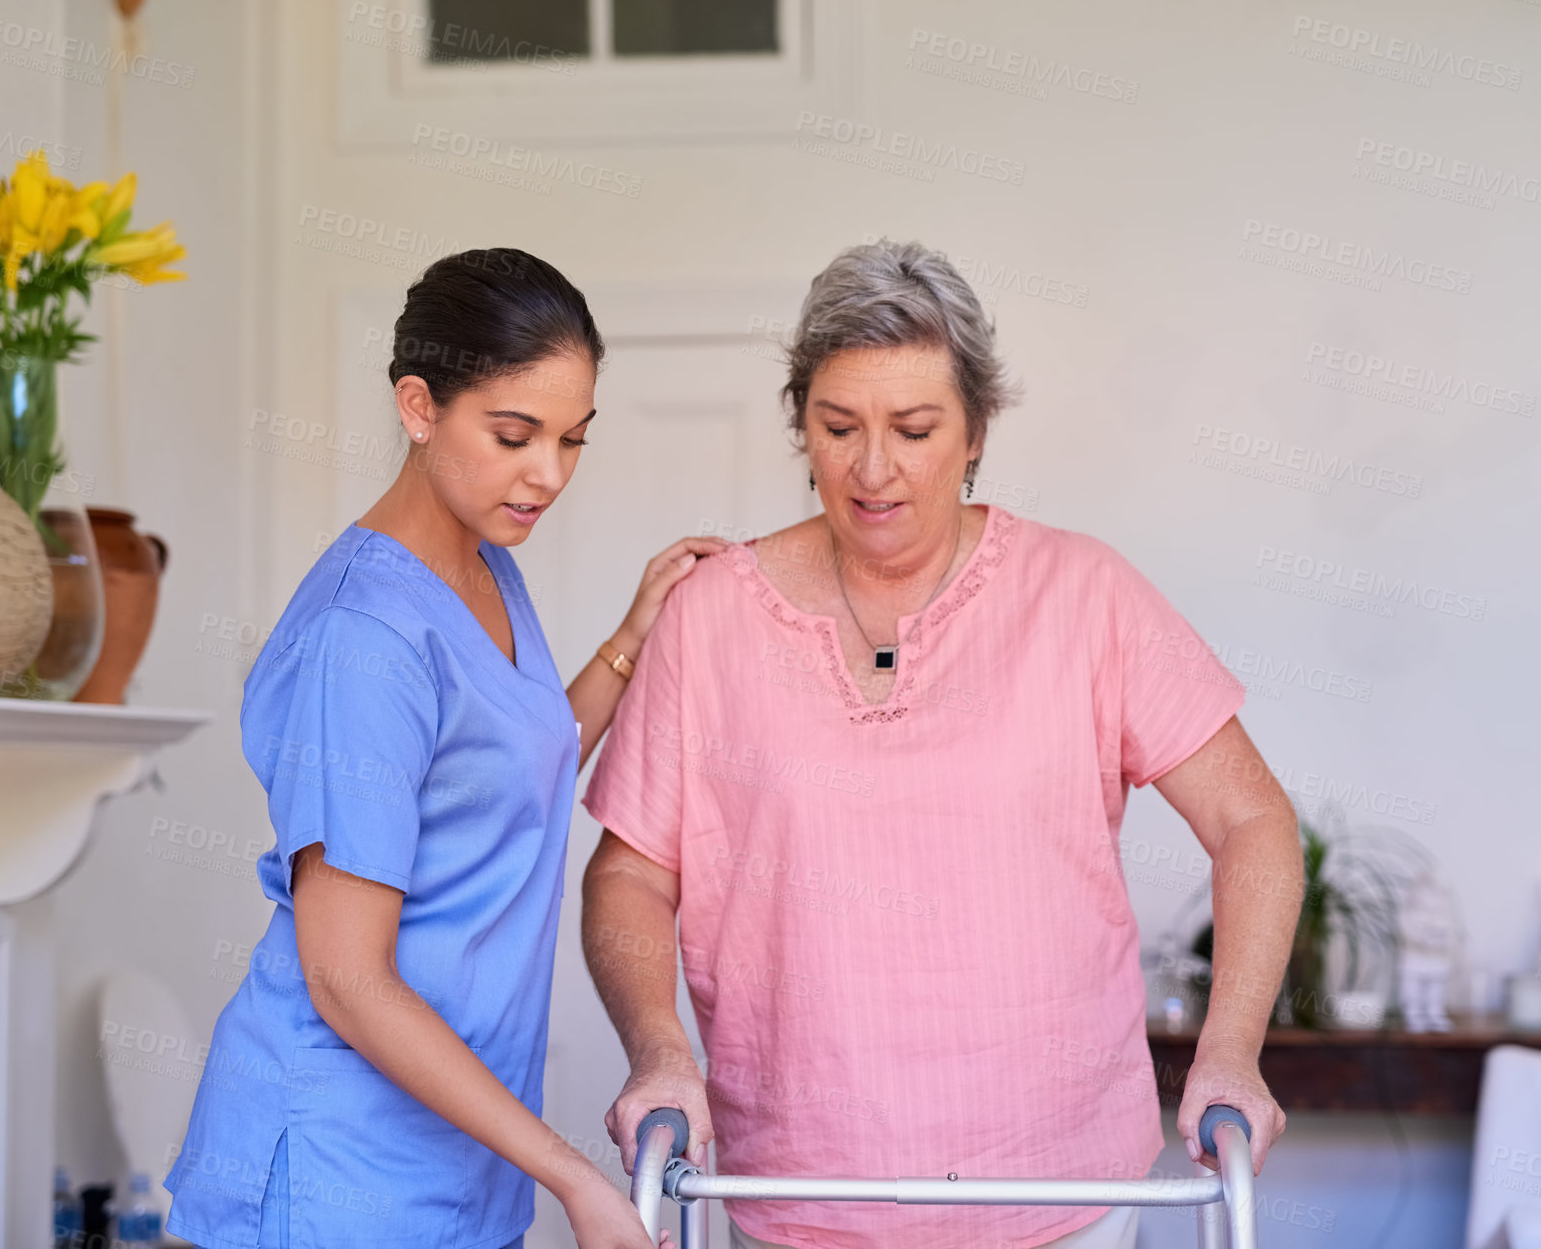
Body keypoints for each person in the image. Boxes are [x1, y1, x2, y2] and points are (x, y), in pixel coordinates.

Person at [580, 239, 1303, 1249]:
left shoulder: (1084, 595)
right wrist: (659, 1050)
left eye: (913, 430)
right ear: (801, 426)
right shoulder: (712, 620)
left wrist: (1231, 1049)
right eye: (838, 428)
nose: (873, 469)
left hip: (1061, 1192)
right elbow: (627, 878)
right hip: (804, 1199)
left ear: (974, 433)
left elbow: (1254, 820)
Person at [164, 248, 721, 1249]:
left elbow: (507, 770)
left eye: (571, 440)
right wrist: (572, 1178)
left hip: (456, 1162)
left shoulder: (483, 562)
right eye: (513, 436)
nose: (546, 474)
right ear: (418, 407)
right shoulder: (363, 638)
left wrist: (633, 636)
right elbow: (347, 978)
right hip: (336, 1171)